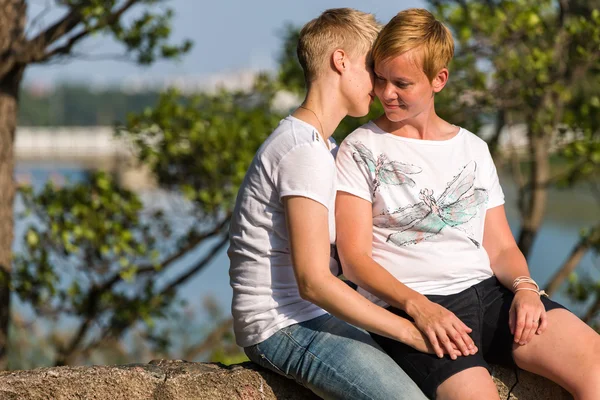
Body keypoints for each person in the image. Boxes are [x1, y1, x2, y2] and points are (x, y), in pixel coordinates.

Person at [335, 8, 600, 400]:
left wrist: (526, 289)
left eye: (401, 83)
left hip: (489, 294)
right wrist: (419, 308)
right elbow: (354, 259)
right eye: (380, 78)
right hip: (413, 306)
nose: (385, 92)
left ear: (438, 79)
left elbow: (503, 247)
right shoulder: (360, 148)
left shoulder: (472, 147)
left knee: (594, 360)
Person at [227, 8, 445, 400]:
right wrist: (409, 329)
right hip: (283, 326)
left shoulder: (324, 148)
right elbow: (313, 281)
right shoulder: (302, 151)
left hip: (311, 315)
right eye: (372, 70)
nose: (380, 88)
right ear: (339, 61)